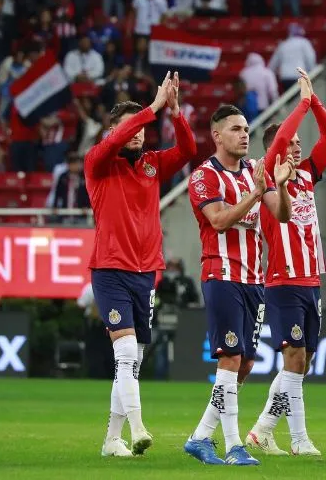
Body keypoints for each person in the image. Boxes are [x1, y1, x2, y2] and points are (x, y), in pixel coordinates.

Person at [85, 71, 196, 458]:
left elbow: (186, 151)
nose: (137, 133)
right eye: (129, 127)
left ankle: (111, 439)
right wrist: (151, 108)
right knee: (127, 354)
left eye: (141, 128)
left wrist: (176, 112)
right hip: (110, 268)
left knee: (134, 359)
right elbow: (115, 139)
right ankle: (137, 427)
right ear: (111, 131)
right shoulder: (98, 162)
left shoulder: (151, 164)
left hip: (146, 271)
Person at [183, 104, 294, 466]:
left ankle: (200, 437)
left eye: (246, 129)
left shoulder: (254, 171)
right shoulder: (204, 176)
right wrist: (255, 194)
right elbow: (218, 221)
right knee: (230, 358)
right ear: (217, 136)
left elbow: (282, 215)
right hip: (223, 275)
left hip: (253, 280)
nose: (244, 134)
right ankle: (233, 446)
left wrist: (278, 185)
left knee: (245, 362)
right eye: (235, 129)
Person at [246, 68, 326, 457]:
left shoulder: (306, 176)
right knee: (294, 358)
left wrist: (315, 101)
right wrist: (300, 103)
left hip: (311, 280)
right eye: (294, 143)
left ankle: (263, 430)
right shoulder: (264, 174)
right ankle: (299, 440)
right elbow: (282, 136)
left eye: (301, 143)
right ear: (276, 149)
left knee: (301, 364)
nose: (299, 147)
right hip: (282, 281)